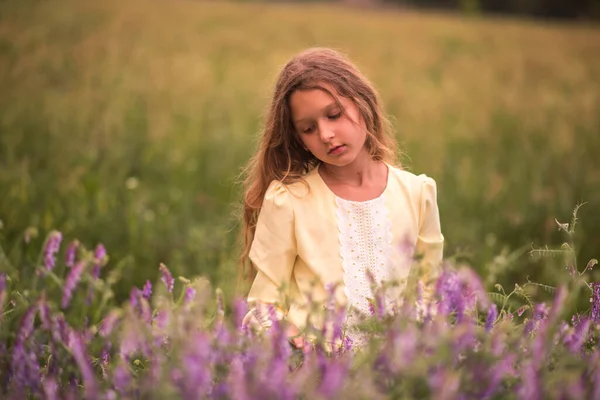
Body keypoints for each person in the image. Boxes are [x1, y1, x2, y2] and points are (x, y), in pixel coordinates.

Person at [239, 47, 444, 350]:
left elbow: (430, 292)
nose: (325, 134)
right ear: (300, 141)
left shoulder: (417, 193)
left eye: (334, 115)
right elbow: (264, 306)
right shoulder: (289, 201)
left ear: (363, 102)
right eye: (308, 129)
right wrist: (310, 354)